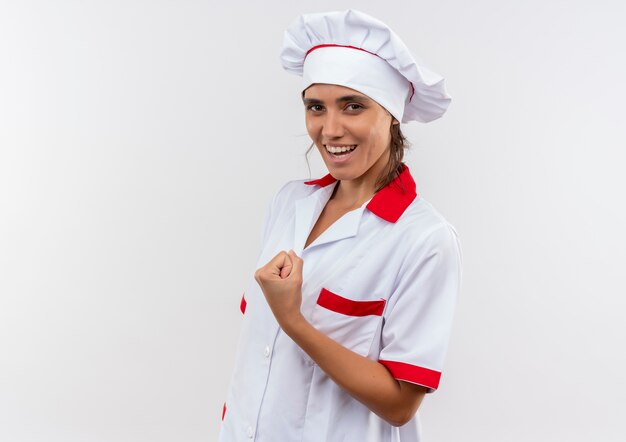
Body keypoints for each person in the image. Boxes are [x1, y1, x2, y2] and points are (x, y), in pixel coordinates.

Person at [218, 9, 462, 442]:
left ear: (391, 114)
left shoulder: (425, 239)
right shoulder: (289, 202)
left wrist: (294, 320)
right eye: (316, 107)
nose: (330, 130)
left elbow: (401, 404)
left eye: (353, 106)